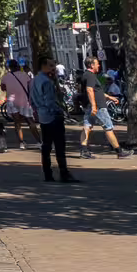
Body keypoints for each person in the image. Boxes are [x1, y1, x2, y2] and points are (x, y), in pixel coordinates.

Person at [32, 53, 77, 182]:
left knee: (46, 145)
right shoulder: (47, 81)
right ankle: (64, 173)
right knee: (59, 146)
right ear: (43, 66)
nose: (54, 68)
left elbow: (32, 100)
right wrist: (58, 111)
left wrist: (38, 111)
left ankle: (48, 173)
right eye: (51, 65)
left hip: (42, 116)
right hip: (52, 116)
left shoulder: (35, 80)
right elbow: (50, 101)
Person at [76, 57, 130, 159]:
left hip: (90, 106)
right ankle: (119, 152)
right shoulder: (90, 76)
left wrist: (109, 97)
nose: (99, 65)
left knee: (87, 127)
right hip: (98, 106)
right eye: (97, 64)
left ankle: (83, 151)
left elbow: (96, 91)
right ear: (92, 65)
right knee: (108, 128)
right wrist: (94, 106)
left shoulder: (86, 75)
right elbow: (89, 90)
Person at [0, 58, 37, 149]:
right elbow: (29, 85)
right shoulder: (24, 75)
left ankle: (21, 143)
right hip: (24, 100)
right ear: (17, 66)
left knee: (17, 123)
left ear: (9, 67)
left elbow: (3, 88)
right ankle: (39, 141)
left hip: (12, 101)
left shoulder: (6, 76)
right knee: (30, 121)